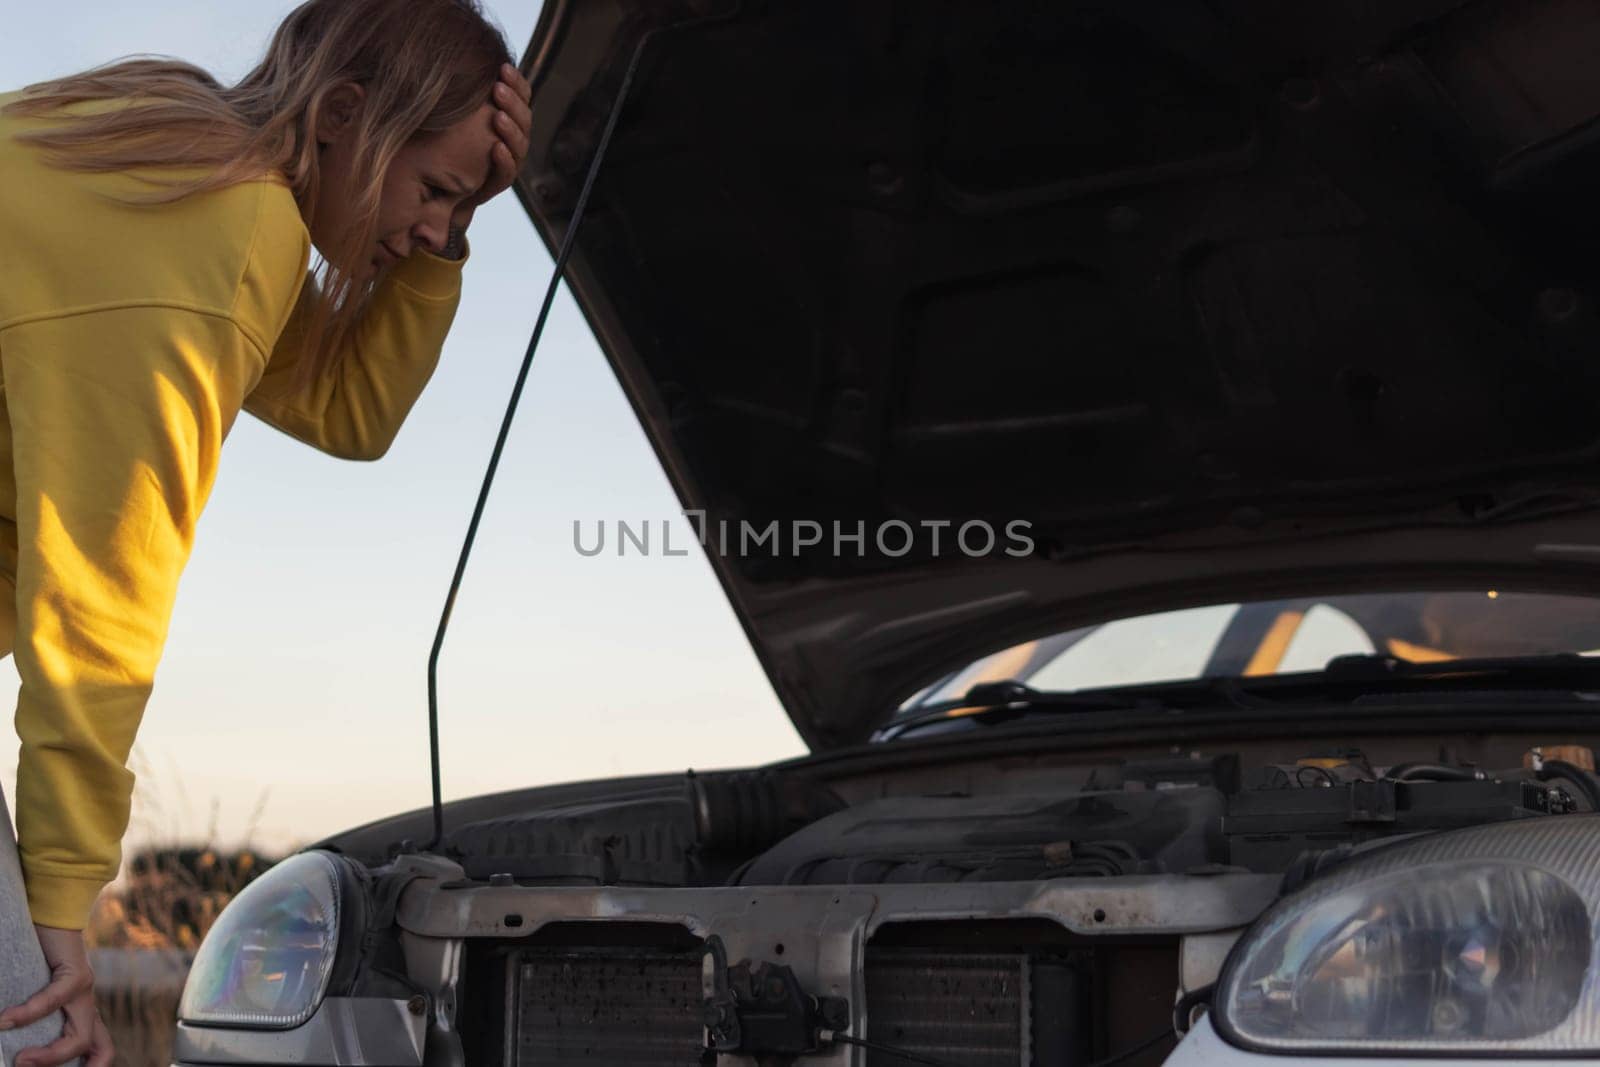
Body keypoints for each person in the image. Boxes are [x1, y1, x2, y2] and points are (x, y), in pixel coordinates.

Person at [0, 1, 533, 1063]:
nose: (434, 228)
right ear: (344, 114)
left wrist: (457, 234)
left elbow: (348, 409)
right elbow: (102, 587)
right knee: (33, 1034)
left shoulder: (163, 153)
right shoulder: (221, 219)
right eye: (433, 189)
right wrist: (63, 904)